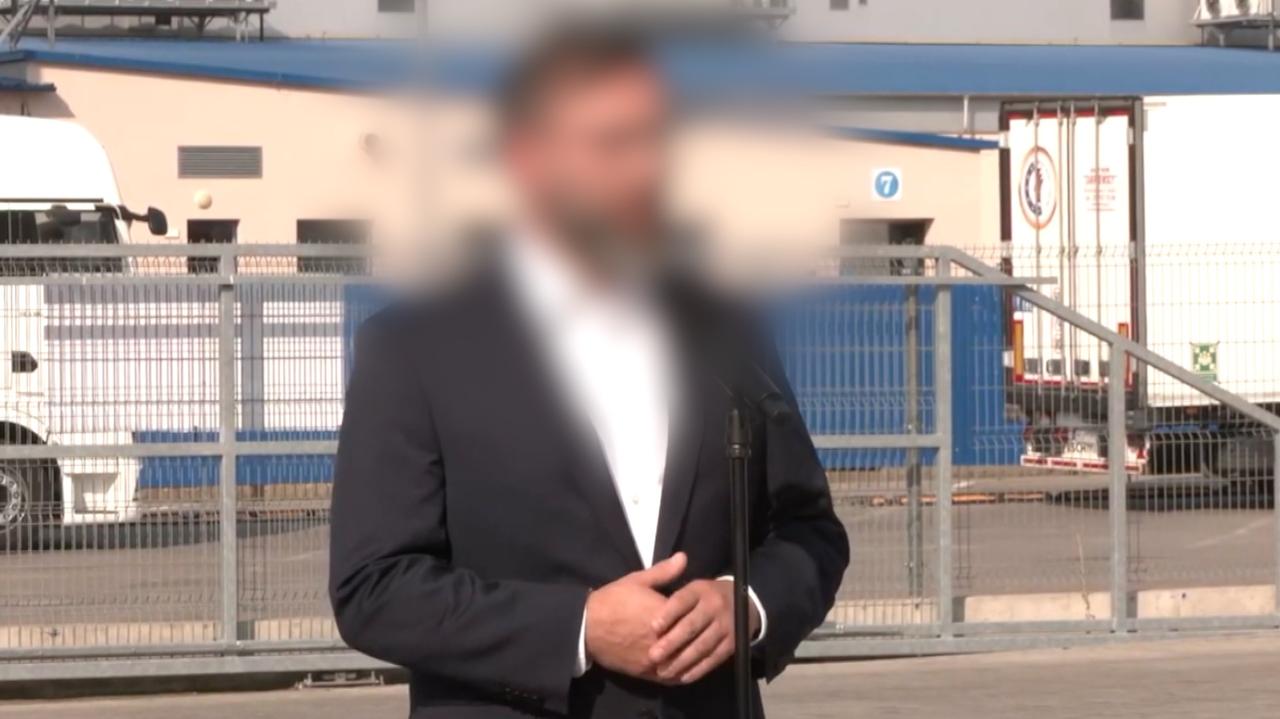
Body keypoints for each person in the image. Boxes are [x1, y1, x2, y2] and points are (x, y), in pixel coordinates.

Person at [328, 26, 849, 719]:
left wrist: (746, 601)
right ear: (527, 159)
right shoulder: (414, 349)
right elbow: (374, 588)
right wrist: (577, 627)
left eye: (655, 140)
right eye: (612, 143)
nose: (644, 171)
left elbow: (809, 530)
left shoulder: (724, 329)